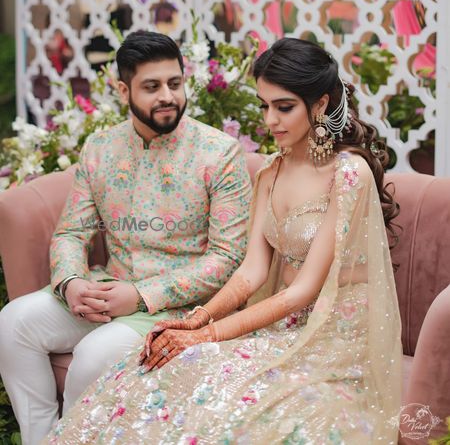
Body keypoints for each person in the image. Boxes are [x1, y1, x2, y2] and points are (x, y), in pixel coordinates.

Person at [44, 38, 403, 444]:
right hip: (284, 322)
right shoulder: (272, 171)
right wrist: (196, 319)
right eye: (264, 105)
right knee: (163, 373)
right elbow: (252, 271)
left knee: (241, 404)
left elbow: (302, 292)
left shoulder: (348, 174)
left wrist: (206, 334)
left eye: (284, 107)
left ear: (319, 105)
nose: (270, 120)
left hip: (336, 330)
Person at [0, 31, 252, 445]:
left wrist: (139, 296)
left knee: (92, 357)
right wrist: (71, 283)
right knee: (13, 323)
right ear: (123, 89)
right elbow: (71, 233)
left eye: (175, 83)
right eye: (152, 87)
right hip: (106, 291)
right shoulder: (100, 148)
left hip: (177, 305)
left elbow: (227, 258)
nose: (167, 95)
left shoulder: (219, 153)